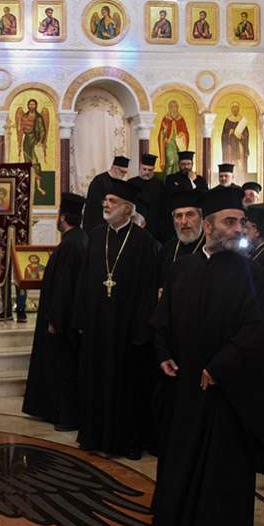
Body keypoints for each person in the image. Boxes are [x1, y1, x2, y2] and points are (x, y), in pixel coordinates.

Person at [152, 185, 264, 526]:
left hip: (227, 390)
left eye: (241, 222)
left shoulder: (251, 273)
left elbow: (258, 328)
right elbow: (162, 319)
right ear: (208, 226)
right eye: (230, 222)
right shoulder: (181, 268)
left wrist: (221, 366)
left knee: (222, 463)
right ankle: (176, 523)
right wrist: (163, 353)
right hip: (185, 386)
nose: (238, 229)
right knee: (180, 455)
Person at [75, 178, 159, 459]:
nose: (106, 204)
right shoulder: (96, 236)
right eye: (106, 200)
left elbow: (148, 289)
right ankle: (94, 437)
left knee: (126, 387)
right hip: (98, 326)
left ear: (127, 208)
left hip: (127, 330)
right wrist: (82, 318)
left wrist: (141, 330)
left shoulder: (144, 242)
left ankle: (126, 442)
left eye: (112, 201)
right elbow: (85, 280)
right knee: (96, 382)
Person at [22, 193, 88, 430]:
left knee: (62, 367)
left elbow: (64, 287)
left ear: (62, 218)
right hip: (70, 318)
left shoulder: (70, 244)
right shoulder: (80, 239)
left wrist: (55, 320)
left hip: (62, 321)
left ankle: (64, 415)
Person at [156, 190, 204, 292]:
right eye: (178, 216)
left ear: (201, 218)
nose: (184, 221)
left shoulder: (210, 248)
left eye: (190, 215)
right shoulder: (167, 250)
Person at [83, 155, 130, 232]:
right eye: (122, 171)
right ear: (114, 168)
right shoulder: (99, 181)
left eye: (125, 172)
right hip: (97, 222)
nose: (124, 175)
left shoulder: (120, 183)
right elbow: (94, 204)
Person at [129, 153, 168, 241]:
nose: (147, 172)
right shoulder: (131, 183)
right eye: (144, 169)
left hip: (155, 228)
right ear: (140, 167)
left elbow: (164, 208)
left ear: (153, 169)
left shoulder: (159, 185)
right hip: (135, 226)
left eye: (150, 170)